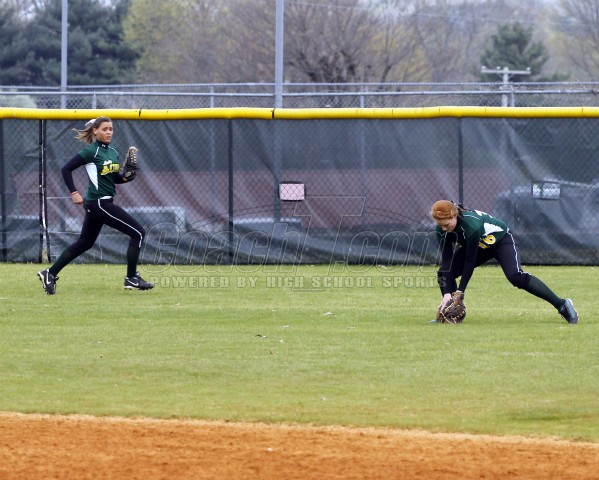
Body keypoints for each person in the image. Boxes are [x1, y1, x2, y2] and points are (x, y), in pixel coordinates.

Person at [37, 117, 154, 294]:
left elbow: (113, 178)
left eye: (111, 129)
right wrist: (74, 192)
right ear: (95, 131)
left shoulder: (112, 151)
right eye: (104, 129)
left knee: (85, 243)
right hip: (99, 203)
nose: (109, 132)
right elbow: (66, 169)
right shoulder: (91, 151)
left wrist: (126, 177)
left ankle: (50, 273)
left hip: (100, 203)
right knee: (138, 233)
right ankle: (131, 278)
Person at [430, 200, 578, 323]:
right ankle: (449, 313)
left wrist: (460, 292)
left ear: (454, 215)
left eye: (446, 224)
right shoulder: (441, 231)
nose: (444, 228)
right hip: (482, 245)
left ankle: (562, 305)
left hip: (501, 241)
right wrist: (447, 294)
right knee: (443, 272)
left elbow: (470, 262)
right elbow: (447, 262)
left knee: (515, 276)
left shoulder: (471, 226)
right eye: (440, 225)